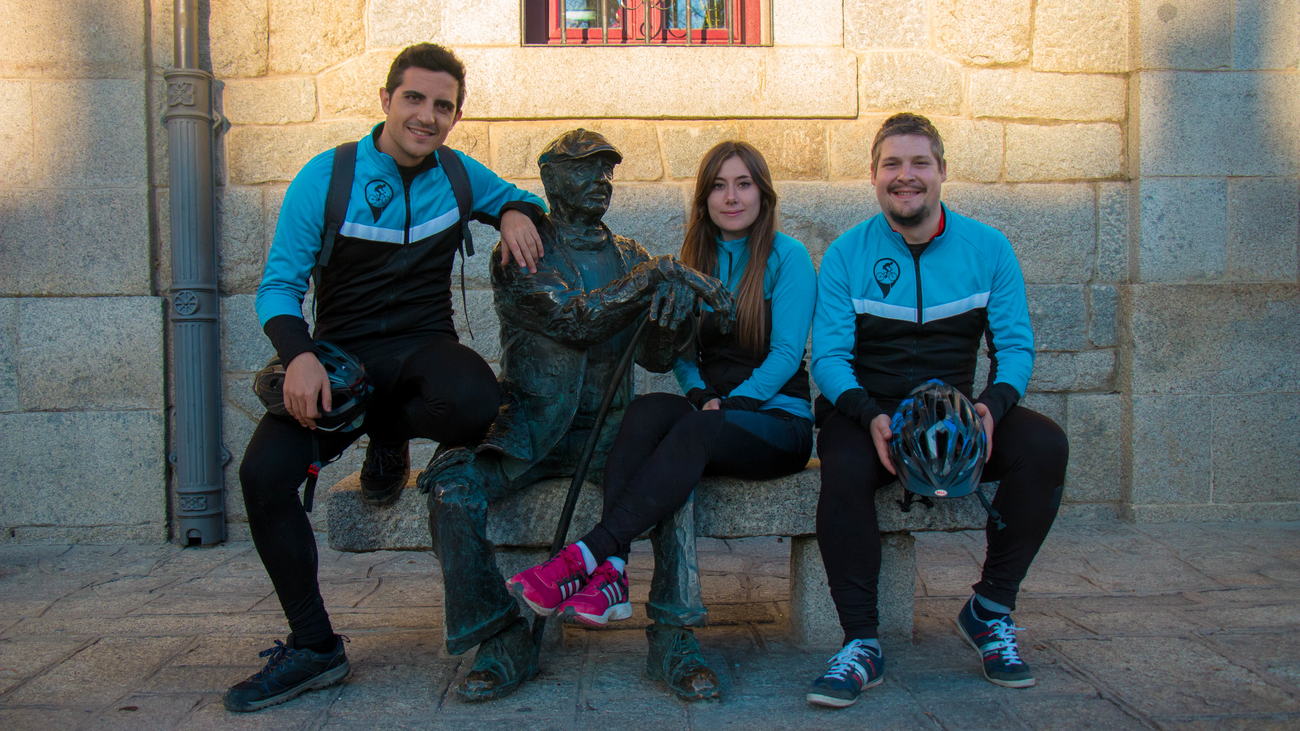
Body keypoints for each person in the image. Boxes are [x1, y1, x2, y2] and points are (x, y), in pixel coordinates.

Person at [225, 43, 549, 713]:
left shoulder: (458, 177)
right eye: (414, 99)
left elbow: (520, 198)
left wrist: (517, 213)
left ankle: (390, 441)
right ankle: (314, 646)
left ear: (456, 116)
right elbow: (279, 285)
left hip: (423, 350)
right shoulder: (329, 175)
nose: (426, 117)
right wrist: (301, 354)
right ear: (385, 99)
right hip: (339, 362)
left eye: (442, 106)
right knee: (262, 475)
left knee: (474, 400)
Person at [418, 129, 736, 702]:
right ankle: (500, 635)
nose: (602, 183)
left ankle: (674, 635)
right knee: (451, 488)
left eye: (608, 172)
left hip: (613, 432)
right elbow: (574, 320)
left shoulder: (632, 255)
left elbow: (656, 358)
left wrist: (675, 313)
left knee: (672, 483)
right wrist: (656, 278)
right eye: (588, 171)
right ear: (553, 179)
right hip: (531, 427)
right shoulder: (524, 249)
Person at [506, 140, 817, 701]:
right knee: (647, 411)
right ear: (704, 198)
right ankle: (613, 577)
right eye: (719, 186)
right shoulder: (692, 260)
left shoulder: (787, 257)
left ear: (762, 194)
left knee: (693, 427)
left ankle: (589, 555)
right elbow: (679, 352)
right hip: (715, 416)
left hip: (775, 421)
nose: (731, 196)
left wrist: (729, 404)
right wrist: (698, 393)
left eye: (743, 184)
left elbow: (786, 354)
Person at [806, 113, 1069, 708]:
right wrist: (869, 414)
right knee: (843, 469)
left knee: (1046, 445)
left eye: (919, 163)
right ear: (874, 177)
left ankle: (990, 609)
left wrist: (990, 410)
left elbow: (1016, 347)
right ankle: (861, 643)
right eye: (892, 165)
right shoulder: (848, 253)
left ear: (942, 171)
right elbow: (828, 356)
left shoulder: (989, 248)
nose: (906, 177)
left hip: (959, 415)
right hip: (866, 412)